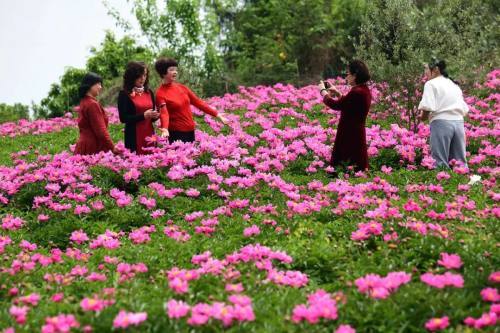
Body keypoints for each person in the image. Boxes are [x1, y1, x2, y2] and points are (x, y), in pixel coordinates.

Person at [154, 57, 229, 143]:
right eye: (171, 70)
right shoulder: (160, 94)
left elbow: (198, 102)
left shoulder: (182, 88)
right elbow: (164, 113)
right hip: (176, 133)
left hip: (190, 130)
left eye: (176, 70)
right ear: (163, 73)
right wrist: (165, 129)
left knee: (191, 156)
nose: (175, 72)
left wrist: (216, 114)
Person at [319, 60, 372, 172]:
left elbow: (337, 105)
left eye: (348, 74)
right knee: (356, 162)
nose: (346, 77)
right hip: (356, 131)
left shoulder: (356, 92)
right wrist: (338, 93)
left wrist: (323, 92)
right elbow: (349, 105)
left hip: (349, 133)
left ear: (355, 75)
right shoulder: (364, 90)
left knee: (347, 163)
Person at [418, 59, 469, 168]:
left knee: (440, 161)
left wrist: (422, 117)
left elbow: (427, 106)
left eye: (426, 68)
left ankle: (442, 183)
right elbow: (463, 106)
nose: (425, 72)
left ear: (436, 69)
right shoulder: (453, 84)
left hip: (441, 123)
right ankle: (464, 184)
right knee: (460, 162)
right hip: (459, 123)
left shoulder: (431, 84)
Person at [118, 61, 159, 154]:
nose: (142, 78)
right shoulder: (124, 94)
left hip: (149, 134)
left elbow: (151, 119)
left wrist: (155, 116)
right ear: (132, 76)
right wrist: (143, 116)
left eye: (144, 75)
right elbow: (123, 118)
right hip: (134, 136)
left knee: (152, 162)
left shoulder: (149, 92)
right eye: (139, 76)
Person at [74, 72, 116, 155]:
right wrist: (112, 147)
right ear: (90, 85)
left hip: (84, 144)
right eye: (99, 84)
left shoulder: (84, 101)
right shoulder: (92, 104)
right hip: (92, 147)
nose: (100, 87)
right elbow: (101, 131)